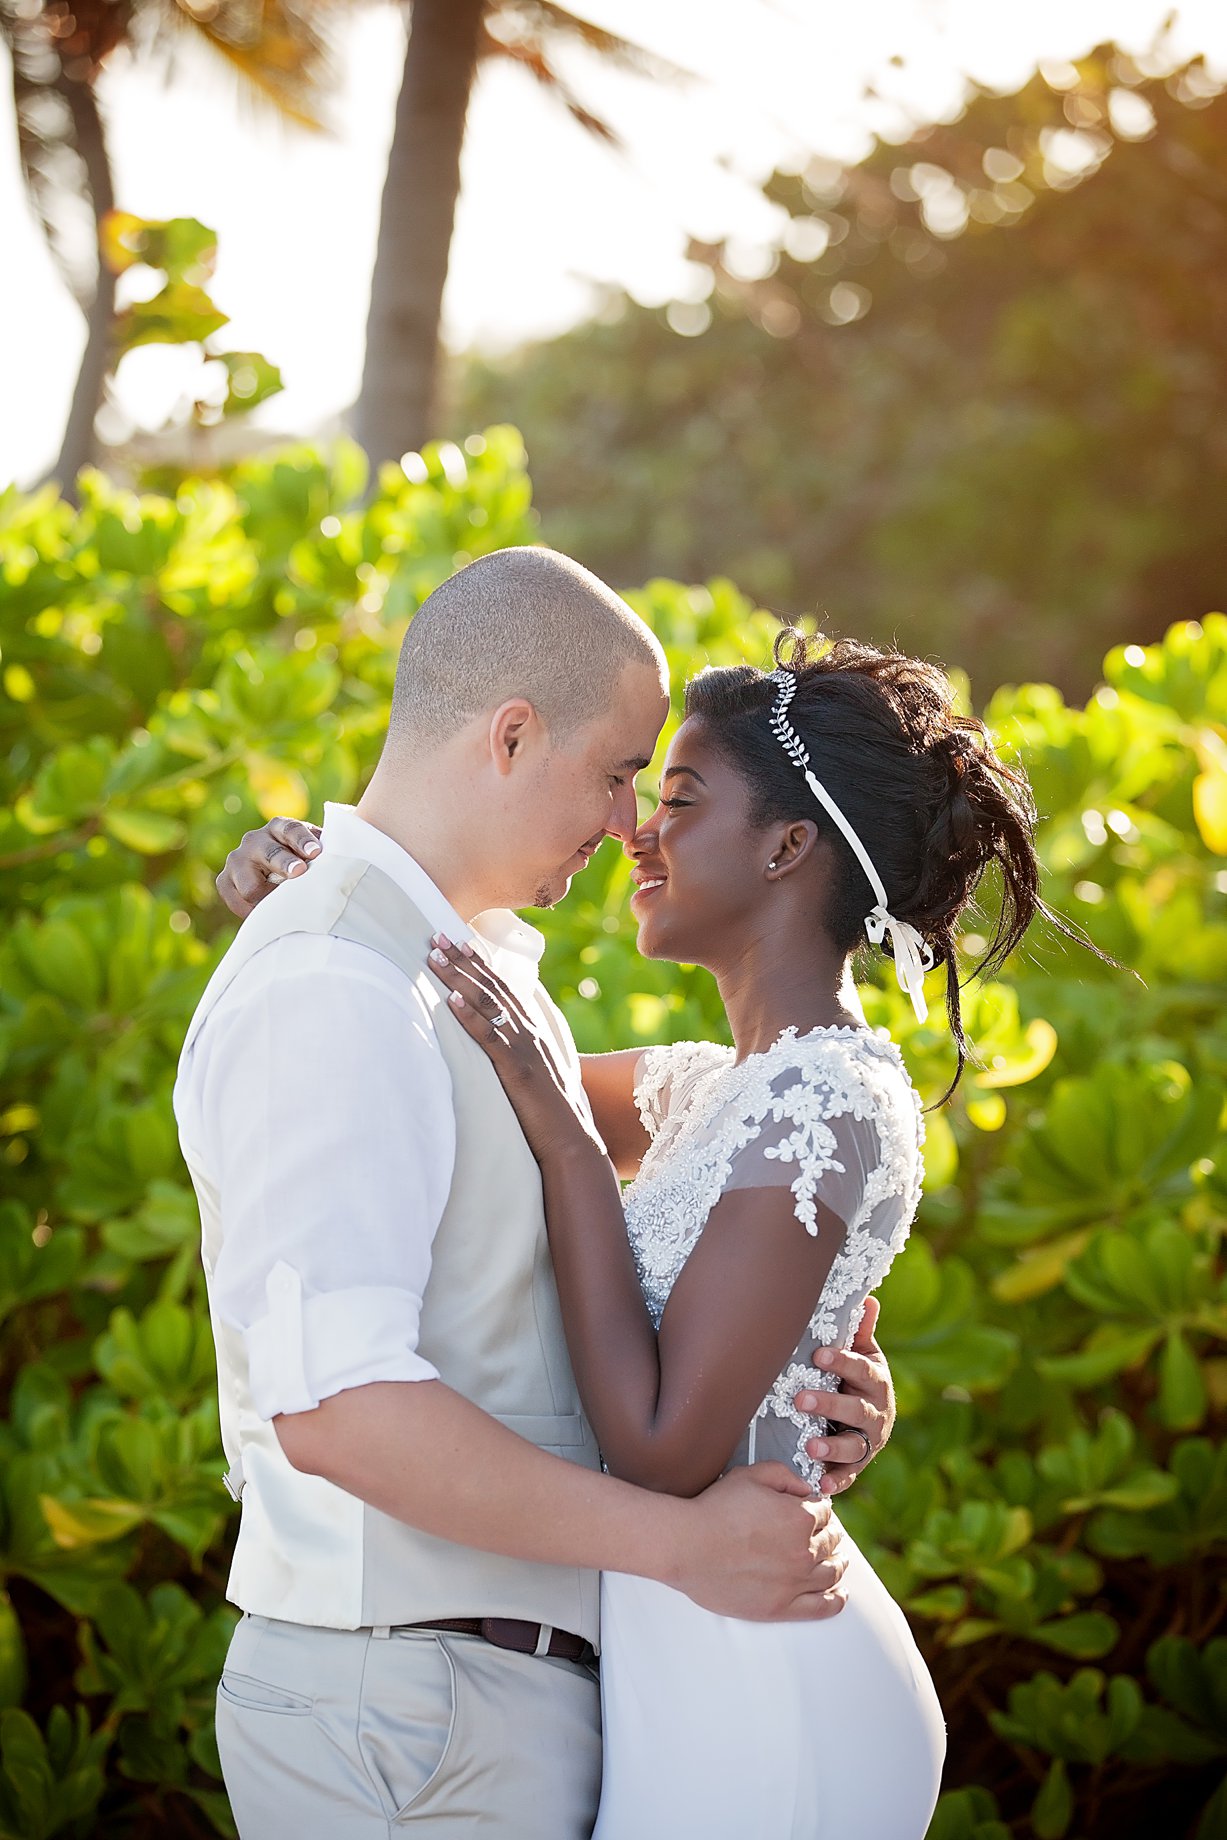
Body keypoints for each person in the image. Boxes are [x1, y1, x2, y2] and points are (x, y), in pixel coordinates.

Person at [177, 549, 888, 1840]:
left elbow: (692, 1187)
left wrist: (803, 1387)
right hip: (406, 1705)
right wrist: (674, 1544)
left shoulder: (461, 980)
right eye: (621, 775)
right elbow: (335, 1408)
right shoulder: (334, 984)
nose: (632, 826)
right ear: (510, 736)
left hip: (485, 1701)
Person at [401, 627, 1048, 1838]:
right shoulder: (715, 1087)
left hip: (762, 1676)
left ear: (788, 845)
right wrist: (324, 887)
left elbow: (658, 1450)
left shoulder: (829, 1098)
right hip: (688, 1649)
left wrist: (567, 1146)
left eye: (683, 799)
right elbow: (453, 1057)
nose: (638, 830)